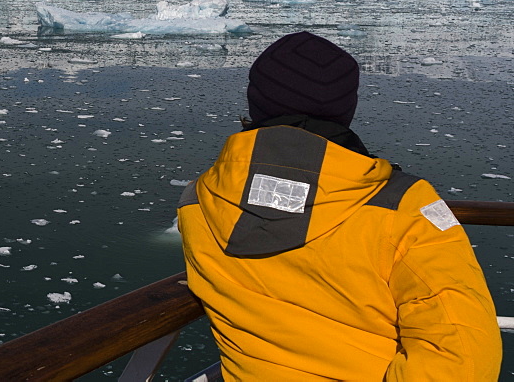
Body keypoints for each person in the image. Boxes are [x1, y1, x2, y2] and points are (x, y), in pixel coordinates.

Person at [177, 31, 502, 380]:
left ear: (256, 102)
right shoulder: (402, 208)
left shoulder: (198, 203)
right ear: (346, 109)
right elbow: (464, 361)